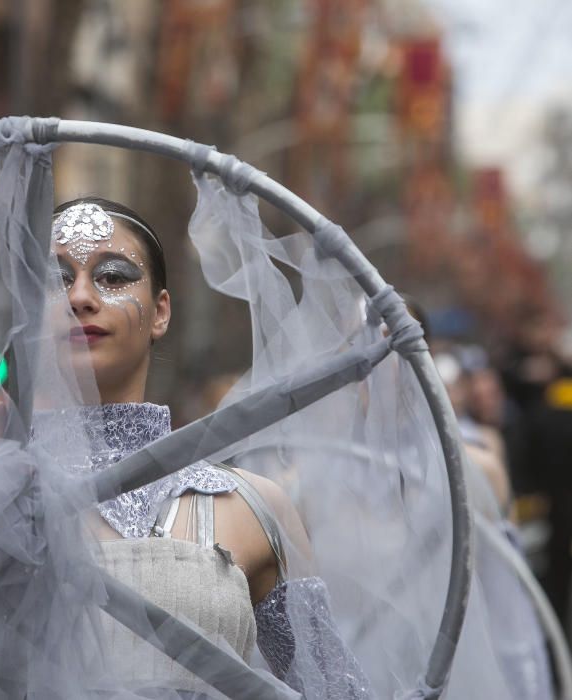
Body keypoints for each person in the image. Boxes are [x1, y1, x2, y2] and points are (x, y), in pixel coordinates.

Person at [40, 196, 370, 697]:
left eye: (112, 276)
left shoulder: (255, 510)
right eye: (56, 279)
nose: (80, 297)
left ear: (160, 312)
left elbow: (333, 689)